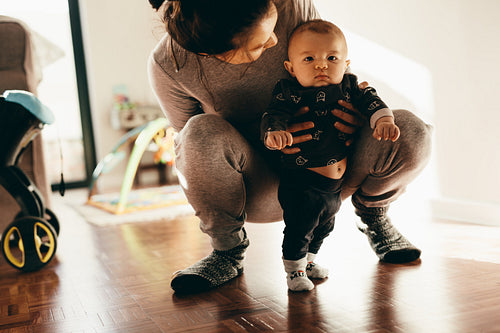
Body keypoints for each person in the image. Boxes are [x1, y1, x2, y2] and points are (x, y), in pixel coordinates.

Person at [147, 0, 432, 294]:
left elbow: (332, 63)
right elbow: (193, 154)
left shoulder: (289, 5)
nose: (274, 40)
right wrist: (273, 135)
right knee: (197, 132)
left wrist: (358, 115)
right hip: (262, 187)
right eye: (258, 43)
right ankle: (227, 252)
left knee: (411, 131)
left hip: (333, 168)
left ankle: (374, 215)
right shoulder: (170, 66)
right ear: (211, 52)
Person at [261, 19, 401, 291]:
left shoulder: (349, 87)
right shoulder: (290, 93)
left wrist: (383, 120)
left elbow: (373, 101)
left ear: (346, 64)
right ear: (291, 68)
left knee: (324, 227)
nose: (321, 65)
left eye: (332, 57)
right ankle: (293, 271)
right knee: (299, 229)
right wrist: (273, 134)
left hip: (335, 187)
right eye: (309, 58)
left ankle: (309, 263)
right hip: (301, 182)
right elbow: (273, 115)